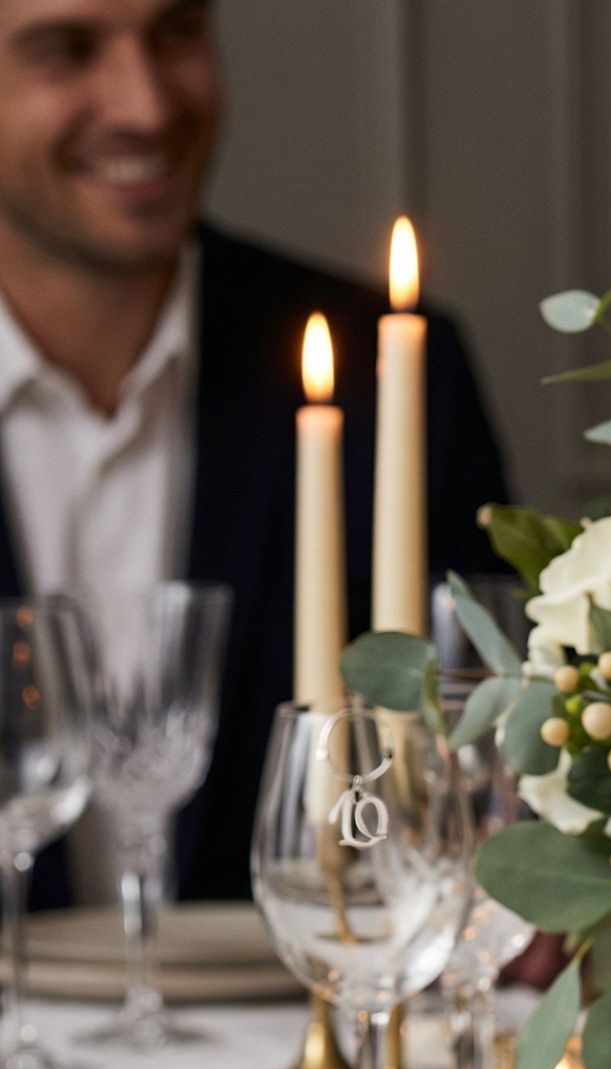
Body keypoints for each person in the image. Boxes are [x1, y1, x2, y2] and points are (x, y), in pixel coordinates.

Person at [0, 0, 508, 905]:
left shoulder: (389, 373)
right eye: (68, 50)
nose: (146, 106)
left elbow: (481, 763)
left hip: (305, 1011)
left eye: (176, 33)